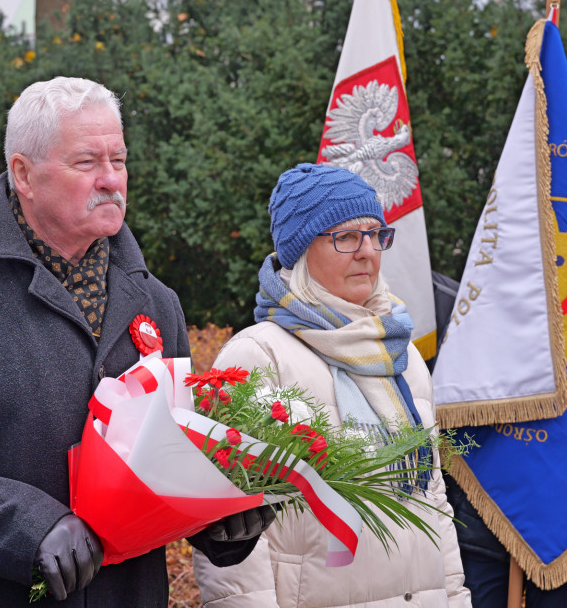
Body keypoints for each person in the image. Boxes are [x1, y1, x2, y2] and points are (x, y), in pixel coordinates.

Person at [0, 76, 265, 607]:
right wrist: (28, 528)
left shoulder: (157, 301)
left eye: (119, 160)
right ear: (23, 175)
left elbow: (176, 445)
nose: (111, 179)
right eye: (87, 162)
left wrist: (220, 516)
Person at [192, 163, 471, 608]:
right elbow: (230, 533)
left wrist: (454, 599)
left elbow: (431, 497)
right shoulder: (258, 357)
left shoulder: (401, 355)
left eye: (376, 234)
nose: (368, 251)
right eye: (346, 237)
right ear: (301, 250)